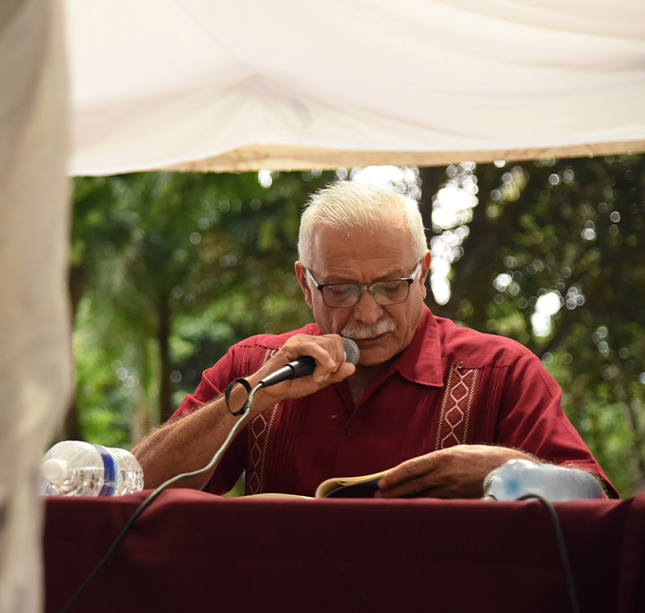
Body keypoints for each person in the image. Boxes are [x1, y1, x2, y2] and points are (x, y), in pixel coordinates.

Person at [133, 181, 614, 498]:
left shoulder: (500, 371)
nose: (367, 312)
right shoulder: (258, 366)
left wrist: (505, 468)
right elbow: (136, 487)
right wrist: (249, 399)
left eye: (390, 286)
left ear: (423, 274)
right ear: (305, 284)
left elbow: (594, 498)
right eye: (340, 289)